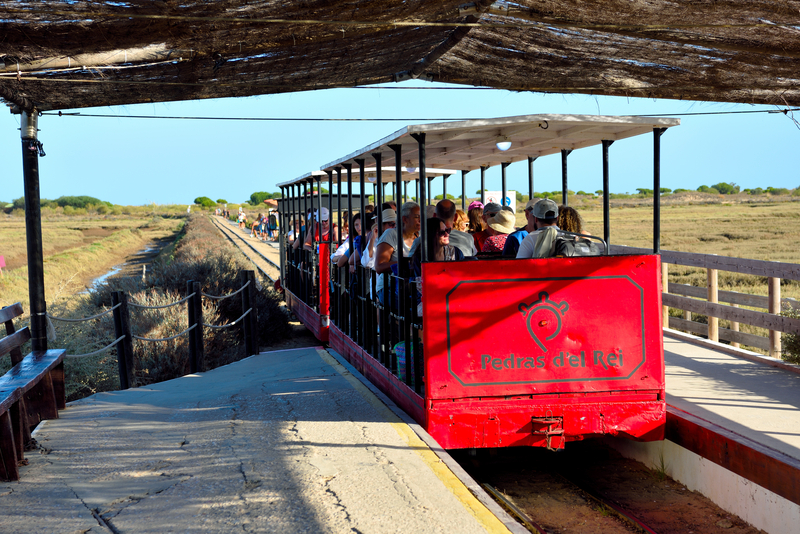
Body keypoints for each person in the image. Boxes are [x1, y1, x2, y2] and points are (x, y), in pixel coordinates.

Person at [411, 217, 465, 318]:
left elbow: (462, 279)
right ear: (431, 235)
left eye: (447, 230)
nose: (447, 234)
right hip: (429, 298)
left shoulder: (456, 253)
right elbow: (420, 286)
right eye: (441, 232)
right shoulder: (421, 256)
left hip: (453, 296)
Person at [375, 203, 420, 305]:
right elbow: (379, 266)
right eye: (417, 217)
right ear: (405, 219)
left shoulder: (419, 237)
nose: (420, 220)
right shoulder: (391, 234)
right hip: (389, 286)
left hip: (411, 286)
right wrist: (407, 263)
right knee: (413, 306)